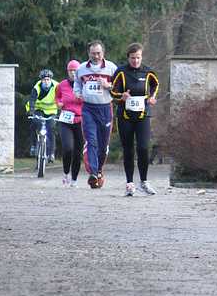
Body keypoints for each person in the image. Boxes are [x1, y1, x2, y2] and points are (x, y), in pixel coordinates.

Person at [111, 43, 160, 196]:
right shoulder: (121, 72)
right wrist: (122, 96)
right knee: (128, 149)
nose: (136, 61)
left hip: (143, 115)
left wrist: (152, 97)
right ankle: (130, 184)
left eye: (138, 57)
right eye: (133, 58)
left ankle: (144, 182)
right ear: (128, 57)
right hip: (125, 116)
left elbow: (155, 85)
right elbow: (112, 91)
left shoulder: (148, 72)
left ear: (141, 57)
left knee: (143, 147)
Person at [73, 40, 118, 189]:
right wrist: (77, 93)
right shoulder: (81, 69)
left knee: (103, 145)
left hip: (105, 108)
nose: (96, 56)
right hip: (88, 109)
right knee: (91, 140)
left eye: (98, 53)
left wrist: (108, 85)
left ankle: (99, 171)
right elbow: (77, 83)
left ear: (103, 53)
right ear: (89, 53)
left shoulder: (111, 68)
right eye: (93, 53)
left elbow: (119, 87)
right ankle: (92, 172)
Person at [56, 60, 84, 187]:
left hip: (80, 121)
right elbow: (57, 97)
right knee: (68, 148)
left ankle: (74, 179)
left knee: (77, 152)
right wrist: (58, 103)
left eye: (75, 70)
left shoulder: (84, 84)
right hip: (66, 120)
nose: (73, 73)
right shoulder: (62, 85)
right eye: (70, 70)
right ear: (67, 71)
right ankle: (66, 173)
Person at [27, 69, 59, 163]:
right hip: (39, 110)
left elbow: (61, 98)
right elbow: (32, 99)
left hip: (52, 111)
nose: (46, 81)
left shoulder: (57, 86)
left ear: (51, 79)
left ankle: (51, 153)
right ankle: (33, 146)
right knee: (34, 124)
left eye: (48, 79)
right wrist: (31, 110)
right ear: (41, 80)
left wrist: (61, 111)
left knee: (51, 129)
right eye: (44, 80)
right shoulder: (37, 87)